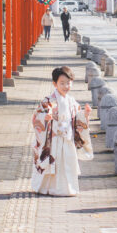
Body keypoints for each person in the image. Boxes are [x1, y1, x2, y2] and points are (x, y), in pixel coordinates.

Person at [31, 66, 93, 196]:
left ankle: (67, 188)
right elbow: (37, 117)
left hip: (67, 138)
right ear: (55, 84)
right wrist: (45, 118)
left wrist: (85, 114)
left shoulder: (72, 101)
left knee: (67, 165)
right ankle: (47, 188)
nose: (66, 86)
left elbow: (77, 118)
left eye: (68, 83)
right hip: (53, 139)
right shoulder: (48, 101)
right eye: (62, 83)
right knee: (54, 163)